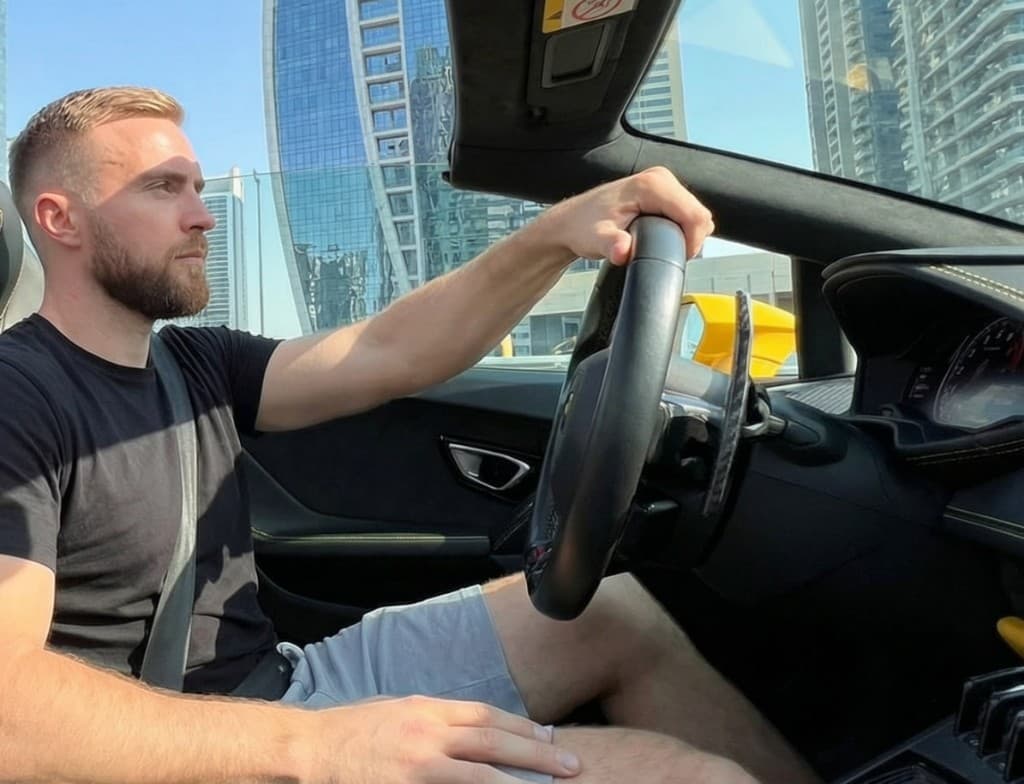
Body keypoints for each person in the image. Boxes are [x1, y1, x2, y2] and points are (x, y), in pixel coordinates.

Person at [0, 87, 819, 784]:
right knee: (690, 779)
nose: (202, 216)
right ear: (60, 219)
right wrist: (321, 746)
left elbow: (389, 351)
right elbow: (8, 715)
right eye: (163, 189)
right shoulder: (16, 397)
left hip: (280, 686)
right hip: (187, 748)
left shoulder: (191, 364)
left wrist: (556, 234)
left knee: (609, 611)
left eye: (197, 187)